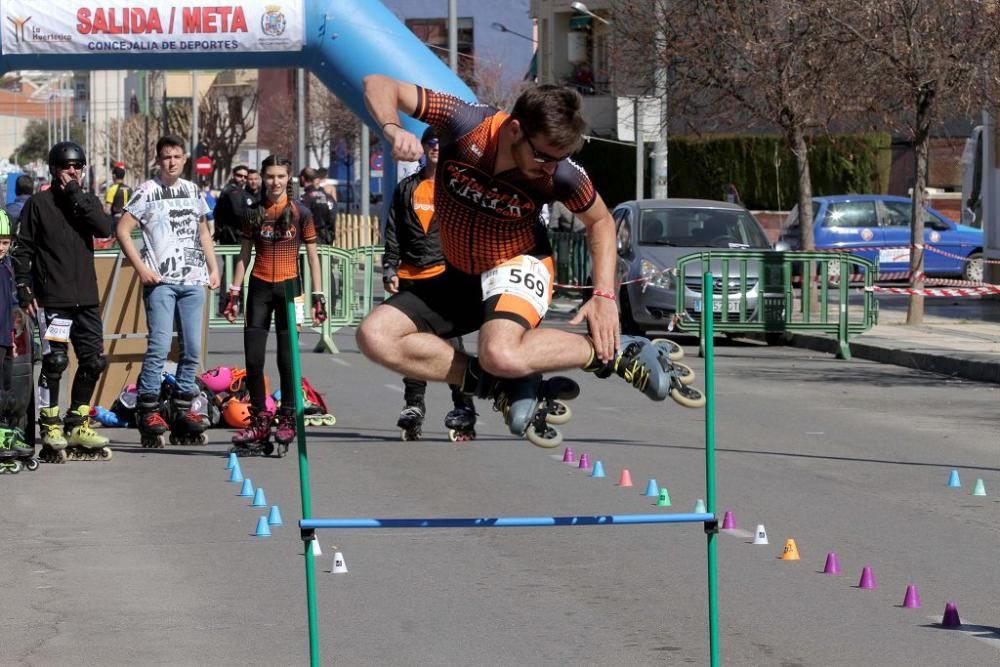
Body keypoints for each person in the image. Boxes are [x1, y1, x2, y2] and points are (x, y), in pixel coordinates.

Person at [357, 77, 696, 445]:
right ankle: (493, 383)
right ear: (515, 129)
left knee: (499, 351)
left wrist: (603, 297)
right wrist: (392, 129)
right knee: (375, 336)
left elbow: (600, 221)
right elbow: (378, 83)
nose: (550, 168)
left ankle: (616, 352)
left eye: (558, 159)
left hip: (516, 263)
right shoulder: (465, 122)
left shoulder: (561, 174)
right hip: (457, 271)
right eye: (543, 157)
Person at [11, 141, 114, 463]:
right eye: (68, 166)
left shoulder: (85, 201)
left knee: (94, 361)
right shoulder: (38, 204)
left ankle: (77, 422)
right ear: (55, 169)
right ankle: (50, 424)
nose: (74, 171)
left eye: (78, 166)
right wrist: (25, 289)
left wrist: (77, 197)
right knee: (55, 361)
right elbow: (23, 249)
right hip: (55, 299)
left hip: (86, 298)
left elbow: (104, 227)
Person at [116, 135, 221, 448]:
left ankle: (182, 409)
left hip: (192, 281)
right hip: (160, 282)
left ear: (184, 159)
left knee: (191, 350)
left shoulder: (192, 191)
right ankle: (148, 409)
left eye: (176, 157)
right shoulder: (147, 191)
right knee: (160, 346)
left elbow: (203, 232)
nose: (171, 162)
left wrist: (214, 268)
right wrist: (140, 267)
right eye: (166, 158)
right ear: (158, 160)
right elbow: (122, 230)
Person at [222, 155, 327, 456]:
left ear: (289, 177)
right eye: (270, 176)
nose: (275, 182)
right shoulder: (253, 213)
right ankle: (259, 418)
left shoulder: (301, 213)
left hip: (291, 290)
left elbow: (313, 256)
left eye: (281, 176)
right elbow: (244, 254)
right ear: (263, 178)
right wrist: (233, 291)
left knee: (287, 358)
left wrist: (318, 297)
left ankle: (288, 416)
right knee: (254, 360)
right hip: (258, 289)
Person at [382, 126, 476, 442]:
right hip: (411, 276)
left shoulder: (458, 190)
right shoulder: (407, 187)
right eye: (431, 143)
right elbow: (393, 230)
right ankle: (414, 406)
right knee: (412, 345)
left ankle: (464, 406)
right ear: (423, 147)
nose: (437, 148)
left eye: (442, 143)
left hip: (445, 276)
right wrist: (389, 267)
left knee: (452, 344)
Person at [0, 210, 35, 471]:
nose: (2, 247)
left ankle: (6, 434)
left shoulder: (7, 267)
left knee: (6, 390)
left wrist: (12, 338)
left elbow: (11, 307)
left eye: (5, 242)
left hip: (3, 339)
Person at [212, 165, 250, 245]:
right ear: (233, 175)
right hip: (234, 234)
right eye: (239, 175)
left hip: (228, 233)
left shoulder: (228, 189)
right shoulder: (233, 191)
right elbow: (238, 212)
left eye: (245, 177)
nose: (243, 178)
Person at [299, 167, 336, 245]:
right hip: (327, 242)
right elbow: (332, 218)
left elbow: (301, 221)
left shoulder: (305, 199)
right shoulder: (329, 197)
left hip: (309, 242)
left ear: (302, 178)